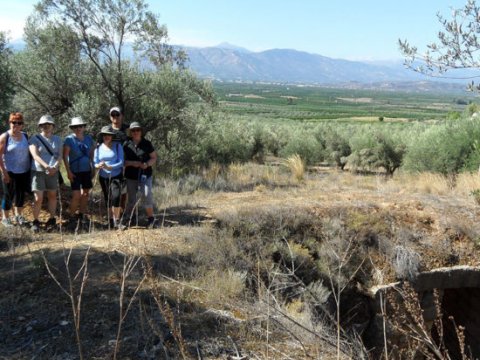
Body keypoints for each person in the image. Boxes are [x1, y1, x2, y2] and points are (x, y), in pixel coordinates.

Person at [29, 115, 63, 232]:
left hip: (53, 172)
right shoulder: (34, 139)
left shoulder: (58, 139)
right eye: (43, 125)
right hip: (38, 171)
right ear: (40, 126)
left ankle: (52, 219)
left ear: (52, 126)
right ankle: (35, 221)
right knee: (38, 198)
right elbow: (35, 155)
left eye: (48, 124)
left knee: (52, 196)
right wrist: (47, 166)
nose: (46, 127)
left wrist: (54, 167)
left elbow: (60, 156)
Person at [123, 122, 157, 228]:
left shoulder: (147, 143)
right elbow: (122, 161)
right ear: (130, 132)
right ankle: (130, 219)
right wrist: (133, 163)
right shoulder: (126, 144)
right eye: (133, 130)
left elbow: (154, 157)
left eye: (137, 130)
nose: (135, 132)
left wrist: (146, 164)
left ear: (141, 131)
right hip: (130, 176)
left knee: (147, 195)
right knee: (131, 198)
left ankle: (151, 219)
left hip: (145, 175)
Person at [0, 112, 31, 227]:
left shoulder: (25, 136)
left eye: (19, 123)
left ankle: (18, 216)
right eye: (14, 122)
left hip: (23, 170)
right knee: (8, 195)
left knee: (20, 194)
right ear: (10, 123)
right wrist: (4, 173)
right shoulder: (5, 137)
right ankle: (5, 218)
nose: (16, 125)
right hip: (9, 171)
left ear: (22, 124)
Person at [63, 117, 94, 224]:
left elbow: (91, 154)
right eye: (75, 127)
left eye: (80, 126)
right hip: (74, 171)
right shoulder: (69, 139)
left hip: (86, 170)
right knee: (76, 195)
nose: (78, 128)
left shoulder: (89, 139)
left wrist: (93, 168)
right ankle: (71, 217)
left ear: (83, 127)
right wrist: (68, 172)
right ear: (72, 128)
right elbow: (65, 156)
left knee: (85, 194)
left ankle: (81, 215)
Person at [94, 126, 125, 230]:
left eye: (109, 135)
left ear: (112, 136)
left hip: (116, 176)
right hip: (103, 177)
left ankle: (117, 220)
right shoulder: (98, 148)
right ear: (102, 136)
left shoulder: (117, 146)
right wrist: (98, 166)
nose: (107, 137)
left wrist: (110, 167)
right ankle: (110, 221)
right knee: (108, 198)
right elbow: (95, 162)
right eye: (105, 135)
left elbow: (121, 162)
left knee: (116, 196)